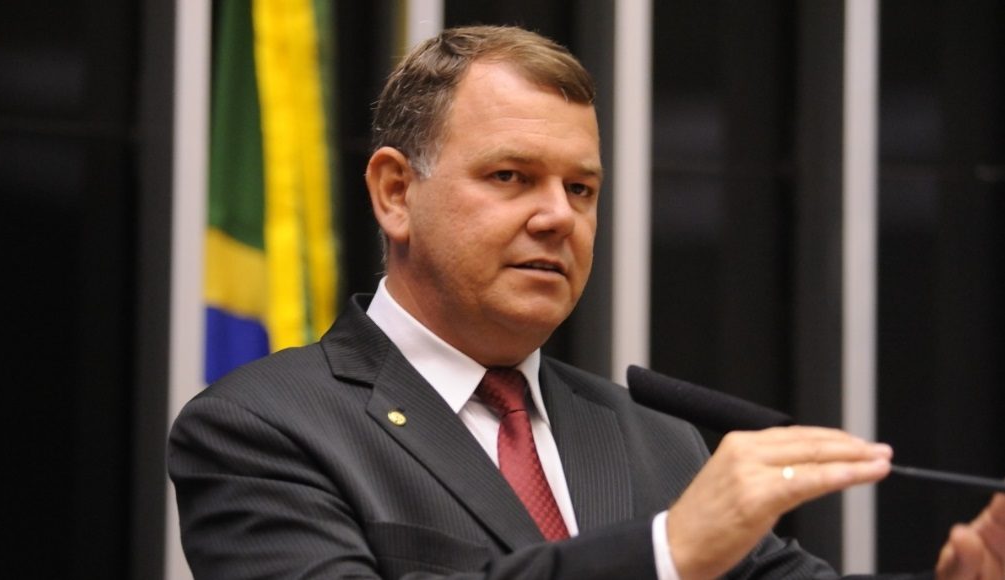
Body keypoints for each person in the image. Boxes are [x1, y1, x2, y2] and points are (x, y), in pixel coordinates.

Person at [169, 25, 1005, 579]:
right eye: (511, 176)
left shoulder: (654, 438)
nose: (557, 217)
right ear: (394, 193)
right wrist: (662, 555)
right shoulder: (263, 428)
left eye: (580, 189)